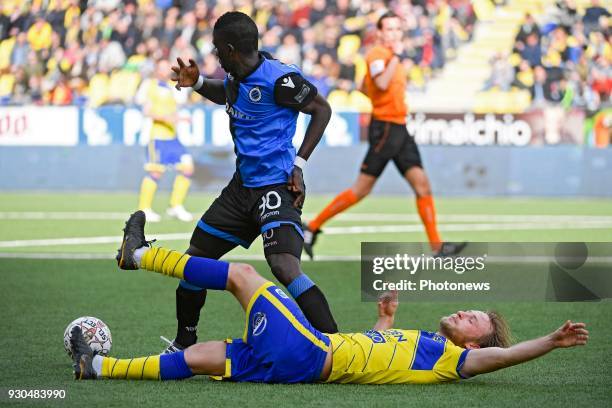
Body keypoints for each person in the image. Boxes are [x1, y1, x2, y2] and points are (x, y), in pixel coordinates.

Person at [72, 211, 589, 383]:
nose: (462, 311)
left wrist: (550, 340)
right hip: (304, 364)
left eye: (472, 317)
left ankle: (136, 256)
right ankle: (97, 369)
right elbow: (373, 356)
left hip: (311, 351)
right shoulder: (426, 346)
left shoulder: (456, 361)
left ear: (478, 344)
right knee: (204, 357)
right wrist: (385, 321)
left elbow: (505, 356)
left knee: (244, 275)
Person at [155, 11, 337, 353]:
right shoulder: (236, 76)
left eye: (216, 49)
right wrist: (195, 84)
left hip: (276, 188)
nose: (214, 54)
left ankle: (337, 346)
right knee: (193, 263)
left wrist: (299, 164)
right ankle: (184, 342)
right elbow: (226, 94)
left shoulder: (281, 80)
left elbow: (322, 109)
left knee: (284, 266)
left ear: (230, 49)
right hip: (241, 191)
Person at [302, 12, 466, 259]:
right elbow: (379, 84)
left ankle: (437, 247)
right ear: (379, 33)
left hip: (399, 127)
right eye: (389, 29)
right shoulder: (380, 55)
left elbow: (364, 87)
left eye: (397, 29)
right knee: (361, 189)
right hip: (386, 128)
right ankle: (312, 228)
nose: (394, 34)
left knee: (422, 186)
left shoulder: (387, 58)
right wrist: (395, 61)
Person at [135, 58, 194, 222]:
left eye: (166, 68)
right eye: (161, 67)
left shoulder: (171, 87)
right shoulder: (150, 86)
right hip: (157, 138)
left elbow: (173, 112)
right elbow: (147, 112)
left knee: (187, 168)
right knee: (155, 172)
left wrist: (181, 119)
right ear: (155, 69)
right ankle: (144, 209)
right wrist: (165, 118)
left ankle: (176, 206)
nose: (164, 71)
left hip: (172, 137)